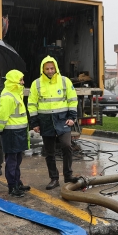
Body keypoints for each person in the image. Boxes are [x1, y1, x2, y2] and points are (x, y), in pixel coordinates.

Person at [28, 56, 79, 190]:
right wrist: (35, 122)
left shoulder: (65, 81)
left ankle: (68, 175)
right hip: (46, 121)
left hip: (62, 119)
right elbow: (32, 104)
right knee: (49, 152)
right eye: (47, 69)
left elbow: (72, 99)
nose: (50, 71)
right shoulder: (36, 84)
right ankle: (54, 179)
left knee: (67, 146)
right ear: (42, 69)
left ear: (56, 68)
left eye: (52, 68)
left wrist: (72, 117)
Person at [0, 70, 29, 197]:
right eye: (21, 80)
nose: (23, 82)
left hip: (17, 132)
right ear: (14, 81)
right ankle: (12, 186)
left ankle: (17, 183)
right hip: (11, 133)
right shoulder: (8, 97)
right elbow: (2, 116)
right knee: (12, 161)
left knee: (17, 160)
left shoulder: (15, 93)